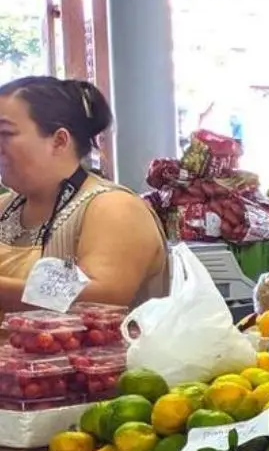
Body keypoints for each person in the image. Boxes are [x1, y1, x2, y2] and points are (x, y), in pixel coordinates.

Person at [0, 76, 167, 309]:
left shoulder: (113, 207)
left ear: (59, 141)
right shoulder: (5, 206)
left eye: (5, 133)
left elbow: (101, 296)